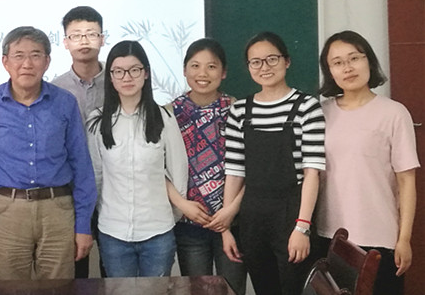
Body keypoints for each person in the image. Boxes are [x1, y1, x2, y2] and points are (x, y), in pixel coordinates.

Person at [0, 26, 97, 280]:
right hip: (6, 211)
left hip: (57, 210)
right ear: (5, 62)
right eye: (19, 55)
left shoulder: (65, 102)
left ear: (47, 62)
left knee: (60, 288)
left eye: (35, 55)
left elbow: (81, 166)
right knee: (9, 288)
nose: (27, 64)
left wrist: (83, 225)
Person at [314, 30, 419, 295]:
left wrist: (404, 238)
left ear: (368, 61)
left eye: (354, 58)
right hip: (330, 235)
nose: (347, 68)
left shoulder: (394, 113)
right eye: (337, 62)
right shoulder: (320, 113)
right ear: (330, 72)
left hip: (380, 238)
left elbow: (406, 181)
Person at [223, 32, 325, 295]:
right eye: (255, 62)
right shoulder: (239, 111)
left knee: (293, 288)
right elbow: (234, 172)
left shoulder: (307, 107)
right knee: (264, 288)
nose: (264, 67)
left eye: (272, 59)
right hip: (252, 217)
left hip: (292, 213)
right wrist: (226, 229)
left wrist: (302, 227)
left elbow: (312, 173)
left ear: (286, 61)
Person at [87, 40, 188, 277]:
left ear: (146, 73)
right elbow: (96, 176)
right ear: (111, 77)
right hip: (113, 233)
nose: (127, 77)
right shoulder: (98, 121)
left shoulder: (163, 118)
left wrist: (171, 216)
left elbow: (178, 172)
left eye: (134, 69)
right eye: (119, 71)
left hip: (158, 232)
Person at [167, 38, 247, 295]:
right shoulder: (169, 113)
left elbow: (253, 168)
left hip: (233, 221)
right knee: (197, 291)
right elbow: (157, 168)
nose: (202, 73)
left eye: (211, 67)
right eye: (195, 66)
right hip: (189, 223)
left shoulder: (237, 110)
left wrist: (231, 211)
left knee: (233, 290)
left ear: (223, 72)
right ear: (184, 70)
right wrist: (183, 204)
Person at [51, 5, 106, 279]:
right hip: (71, 189)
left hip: (113, 187)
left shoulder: (119, 81)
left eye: (91, 34)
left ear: (102, 38)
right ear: (65, 42)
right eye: (76, 35)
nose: (84, 41)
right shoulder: (55, 88)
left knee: (114, 269)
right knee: (76, 269)